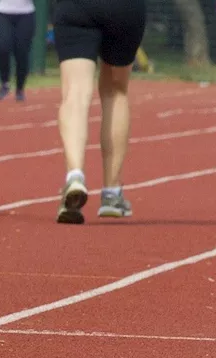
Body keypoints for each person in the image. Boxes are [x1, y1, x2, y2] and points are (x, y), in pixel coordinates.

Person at [51, 0, 147, 223]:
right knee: (116, 91)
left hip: (77, 8)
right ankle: (112, 193)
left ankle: (74, 174)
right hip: (123, 9)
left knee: (74, 93)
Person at [0, 0, 36, 102]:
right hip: (3, 12)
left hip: (26, 14)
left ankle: (20, 88)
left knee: (22, 51)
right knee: (3, 46)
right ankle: (5, 83)